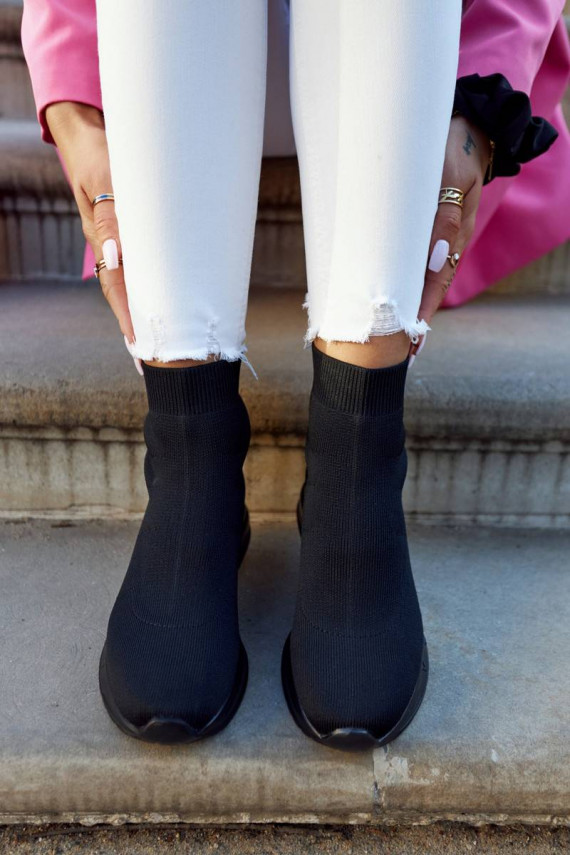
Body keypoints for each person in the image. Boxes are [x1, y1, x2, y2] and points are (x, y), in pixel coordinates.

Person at [21, 0, 562, 750]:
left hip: (392, 60)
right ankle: (191, 461)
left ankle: (355, 459)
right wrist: (81, 116)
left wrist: (475, 111)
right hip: (182, 64)